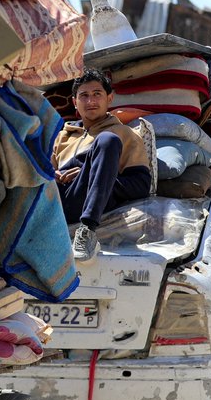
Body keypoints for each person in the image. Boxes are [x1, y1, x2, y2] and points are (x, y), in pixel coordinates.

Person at [52, 69, 152, 262]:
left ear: (110, 98)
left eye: (97, 94)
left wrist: (95, 176)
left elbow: (140, 185)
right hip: (58, 202)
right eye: (84, 96)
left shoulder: (123, 134)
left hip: (91, 202)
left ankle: (87, 231)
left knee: (107, 140)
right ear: (75, 102)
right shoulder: (62, 136)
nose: (91, 101)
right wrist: (51, 174)